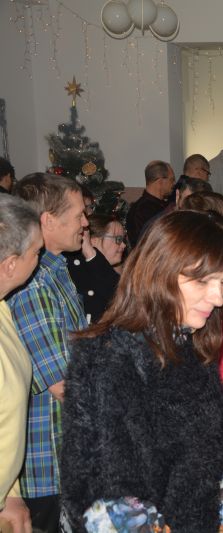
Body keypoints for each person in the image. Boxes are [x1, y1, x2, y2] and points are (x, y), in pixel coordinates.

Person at [60, 211, 223, 532]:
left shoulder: (189, 346)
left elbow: (214, 457)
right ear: (160, 272)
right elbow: (105, 502)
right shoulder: (108, 360)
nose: (218, 298)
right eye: (203, 281)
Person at [9, 173, 88, 533]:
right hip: (48, 461)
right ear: (48, 221)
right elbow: (62, 385)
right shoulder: (36, 285)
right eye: (78, 215)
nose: (85, 223)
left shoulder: (56, 271)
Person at [0, 195, 41, 533]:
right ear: (10, 265)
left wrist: (10, 493)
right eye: (36, 252)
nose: (40, 259)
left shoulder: (2, 307)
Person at [65, 214, 126, 323]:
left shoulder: (112, 272)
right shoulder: (71, 268)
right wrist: (92, 254)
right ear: (92, 240)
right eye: (118, 239)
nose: (123, 245)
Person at [125, 160, 174, 246]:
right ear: (160, 182)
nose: (174, 183)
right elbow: (143, 245)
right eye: (172, 179)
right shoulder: (140, 211)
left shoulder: (164, 204)